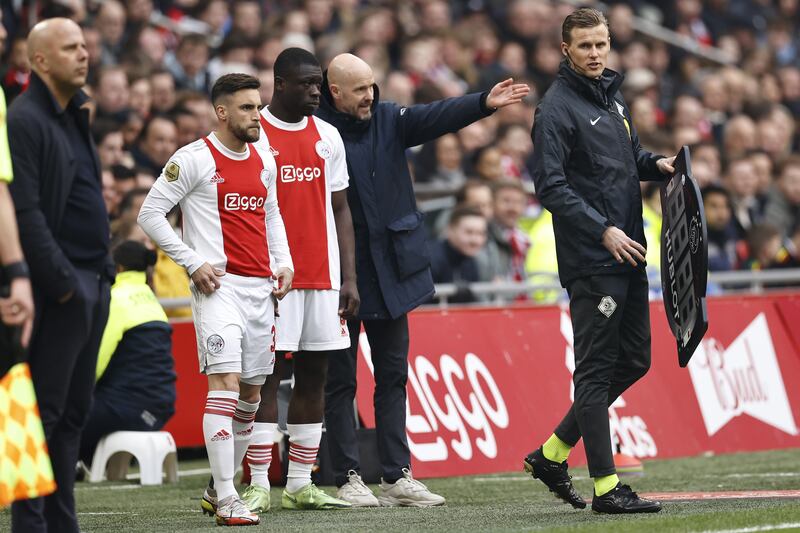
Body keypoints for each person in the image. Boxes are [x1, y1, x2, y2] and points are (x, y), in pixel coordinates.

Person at [316, 52, 529, 507]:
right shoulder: (316, 132)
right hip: (342, 276)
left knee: (393, 376)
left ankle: (397, 477)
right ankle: (349, 477)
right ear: (334, 91)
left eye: (373, 86)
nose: (370, 96)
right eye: (359, 90)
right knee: (340, 382)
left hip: (393, 273)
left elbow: (435, 117)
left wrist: (482, 104)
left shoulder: (390, 119)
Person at [525, 8, 675, 514]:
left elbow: (628, 160)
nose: (594, 54)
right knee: (594, 373)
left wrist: (659, 165)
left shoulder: (611, 99)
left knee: (635, 360)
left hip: (629, 253)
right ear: (565, 49)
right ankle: (608, 488)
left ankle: (552, 454)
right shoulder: (555, 110)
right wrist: (602, 229)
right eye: (585, 46)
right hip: (594, 258)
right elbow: (551, 187)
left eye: (601, 45)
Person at [138, 73, 293, 526]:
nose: (256, 115)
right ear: (221, 112)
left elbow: (272, 215)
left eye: (258, 105)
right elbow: (150, 214)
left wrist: (283, 263)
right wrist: (192, 262)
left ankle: (216, 486)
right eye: (246, 108)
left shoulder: (264, 158)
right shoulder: (193, 159)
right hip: (218, 290)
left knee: (251, 395)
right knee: (224, 386)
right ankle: (227, 495)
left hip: (260, 292)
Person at [211, 47, 357, 514]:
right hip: (268, 278)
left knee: (315, 374)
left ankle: (298, 483)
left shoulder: (329, 136)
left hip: (323, 277)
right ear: (279, 82)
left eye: (320, 83)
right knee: (264, 378)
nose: (317, 91)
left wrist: (348, 276)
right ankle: (256, 482)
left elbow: (340, 208)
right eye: (307, 83)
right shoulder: (254, 132)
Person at [7, 18, 114, 532]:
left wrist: (104, 273)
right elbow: (25, 210)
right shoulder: (24, 118)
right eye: (70, 47)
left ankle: (60, 522)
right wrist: (64, 283)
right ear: (40, 60)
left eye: (85, 45)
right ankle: (30, 525)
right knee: (36, 414)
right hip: (61, 288)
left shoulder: (74, 113)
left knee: (72, 414)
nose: (84, 54)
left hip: (93, 281)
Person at [78, 240, 176, 466]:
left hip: (126, 408)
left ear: (118, 267)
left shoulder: (116, 299)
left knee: (64, 414)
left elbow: (97, 359)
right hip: (162, 406)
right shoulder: (153, 300)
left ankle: (67, 465)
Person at [429, 206, 488, 304]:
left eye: (481, 233)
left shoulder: (471, 260)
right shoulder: (431, 260)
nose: (475, 240)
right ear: (450, 230)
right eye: (469, 232)